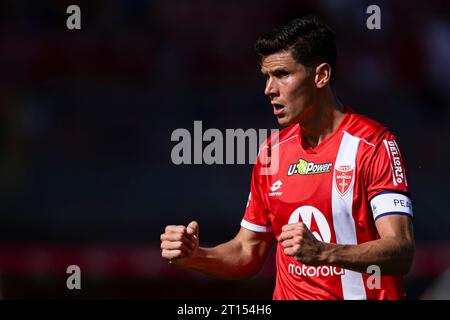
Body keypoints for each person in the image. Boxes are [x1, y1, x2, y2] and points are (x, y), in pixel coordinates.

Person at [160, 15, 415, 300]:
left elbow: (401, 249)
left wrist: (324, 252)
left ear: (321, 75)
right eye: (266, 77)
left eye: (282, 74)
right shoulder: (272, 152)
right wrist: (195, 256)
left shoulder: (373, 144)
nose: (269, 89)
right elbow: (248, 251)